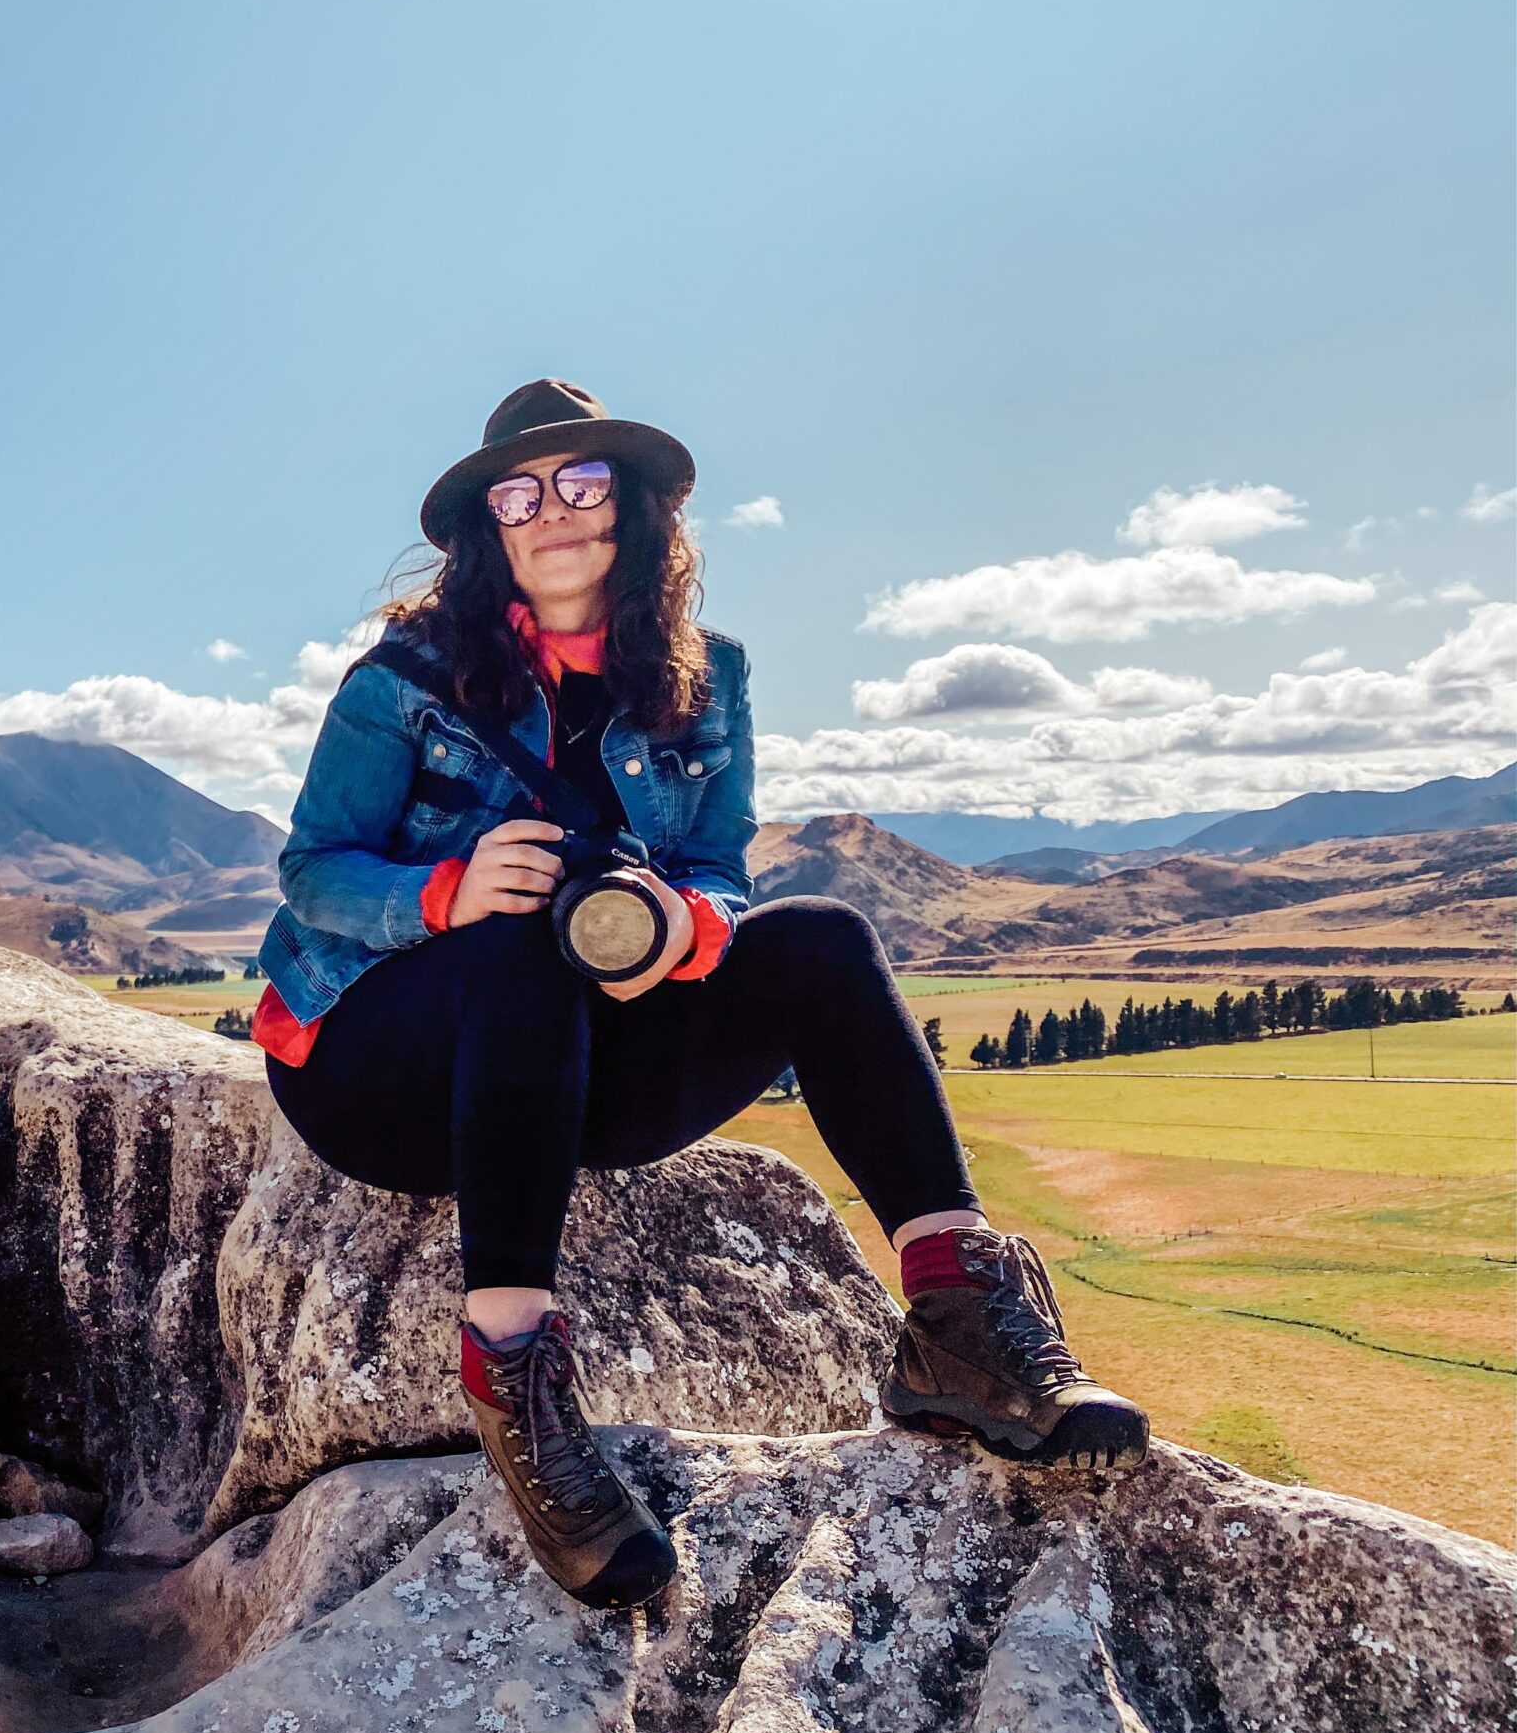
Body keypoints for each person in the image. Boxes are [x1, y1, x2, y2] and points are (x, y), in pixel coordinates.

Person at [248, 378, 1149, 1612]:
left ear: (635, 509)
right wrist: (449, 892)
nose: (551, 510)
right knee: (519, 941)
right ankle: (516, 1380)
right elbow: (311, 875)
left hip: (566, 1073)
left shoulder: (702, 675)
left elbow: (719, 864)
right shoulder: (400, 680)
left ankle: (955, 1320)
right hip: (379, 1070)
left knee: (822, 937)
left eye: (582, 482)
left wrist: (689, 921)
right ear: (487, 529)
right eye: (519, 492)